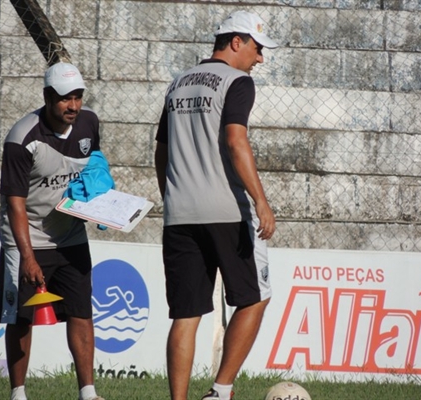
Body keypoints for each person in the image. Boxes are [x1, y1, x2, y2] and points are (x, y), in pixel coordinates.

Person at [154, 10, 278, 400]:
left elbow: (161, 150)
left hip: (179, 214)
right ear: (236, 42)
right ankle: (220, 392)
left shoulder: (178, 83)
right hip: (226, 211)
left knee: (186, 315)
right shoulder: (237, 81)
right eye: (258, 49)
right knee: (255, 298)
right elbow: (235, 140)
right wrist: (261, 201)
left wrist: (171, 194)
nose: (260, 58)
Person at [0, 62, 104, 400]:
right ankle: (19, 394)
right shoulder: (21, 139)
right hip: (27, 238)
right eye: (65, 99)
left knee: (81, 312)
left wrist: (101, 202)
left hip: (70, 235)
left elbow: (92, 167)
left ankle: (87, 393)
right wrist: (27, 257)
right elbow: (15, 204)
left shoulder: (89, 123)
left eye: (78, 97)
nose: (73, 106)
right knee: (21, 319)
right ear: (47, 97)